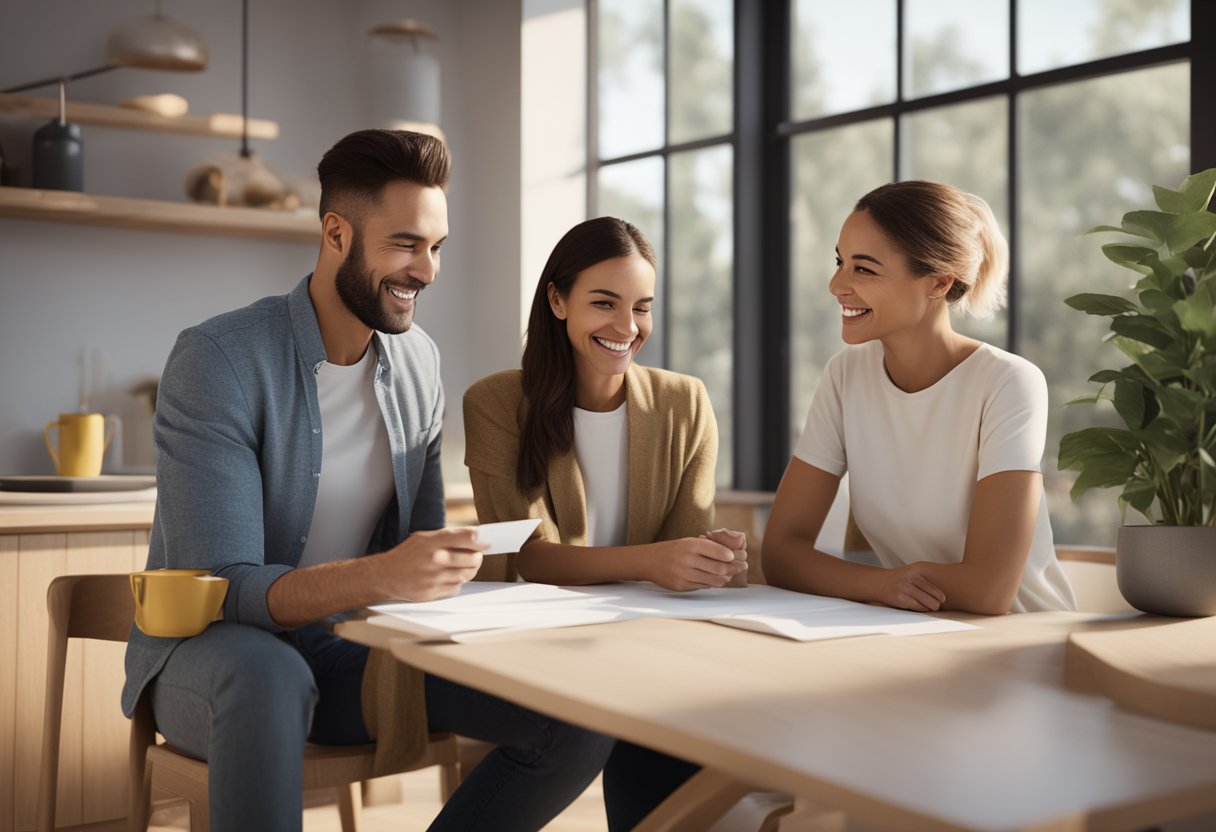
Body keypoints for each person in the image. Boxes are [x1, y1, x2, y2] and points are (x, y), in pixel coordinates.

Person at [122, 129, 615, 832]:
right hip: (212, 658)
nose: (429, 270)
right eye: (408, 244)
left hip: (347, 650)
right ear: (335, 234)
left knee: (573, 711)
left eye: (438, 247)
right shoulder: (219, 361)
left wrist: (448, 574)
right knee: (269, 676)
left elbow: (414, 546)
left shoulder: (419, 365)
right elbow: (223, 585)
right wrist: (385, 575)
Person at [462, 216, 748, 830]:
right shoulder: (494, 403)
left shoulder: (685, 402)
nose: (627, 327)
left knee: (680, 707)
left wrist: (709, 560)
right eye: (604, 303)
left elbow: (685, 546)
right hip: (535, 640)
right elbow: (529, 559)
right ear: (558, 301)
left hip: (647, 642)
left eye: (642, 307)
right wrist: (657, 562)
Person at [763, 180, 1075, 615]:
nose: (837, 284)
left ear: (937, 283)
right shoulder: (845, 376)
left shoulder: (1008, 382)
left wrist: (880, 585)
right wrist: (883, 584)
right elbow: (780, 554)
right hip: (915, 631)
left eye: (864, 269)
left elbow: (989, 591)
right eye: (840, 262)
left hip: (1025, 644)